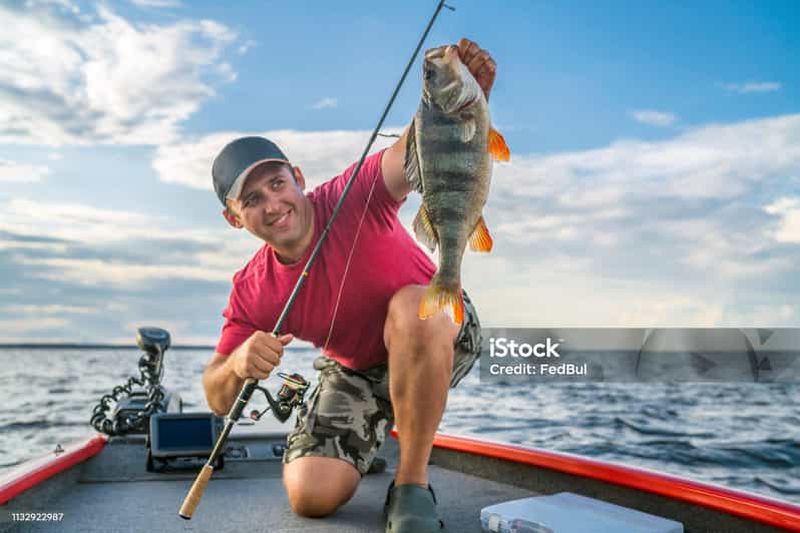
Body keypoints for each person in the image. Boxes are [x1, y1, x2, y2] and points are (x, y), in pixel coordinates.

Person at [203, 38, 496, 533]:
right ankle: (372, 435)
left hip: (438, 328)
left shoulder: (352, 194)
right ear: (234, 219)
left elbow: (415, 148)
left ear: (297, 177)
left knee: (412, 307)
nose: (272, 204)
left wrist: (457, 94)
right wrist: (236, 362)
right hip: (354, 372)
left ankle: (411, 486)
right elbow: (216, 393)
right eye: (251, 200)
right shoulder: (252, 288)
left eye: (276, 183)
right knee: (310, 497)